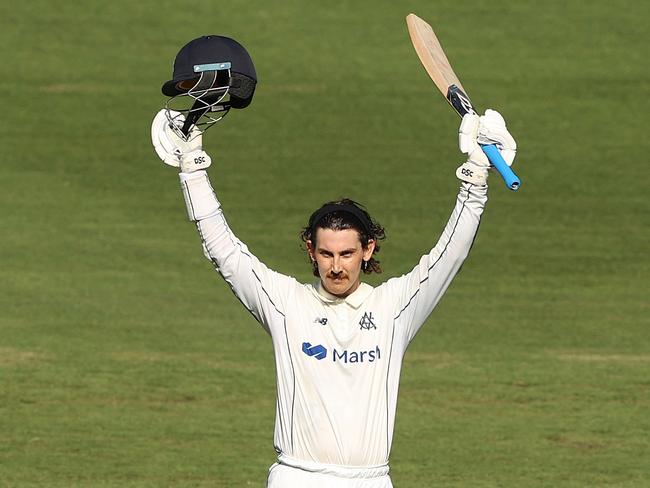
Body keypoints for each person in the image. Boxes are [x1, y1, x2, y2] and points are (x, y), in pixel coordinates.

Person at [152, 36, 517, 488]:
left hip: (370, 480)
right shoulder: (287, 304)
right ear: (311, 250)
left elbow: (451, 254)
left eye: (347, 253)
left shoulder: (394, 308)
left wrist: (477, 177)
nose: (337, 266)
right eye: (326, 253)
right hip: (297, 478)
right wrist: (192, 167)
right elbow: (224, 252)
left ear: (367, 251)